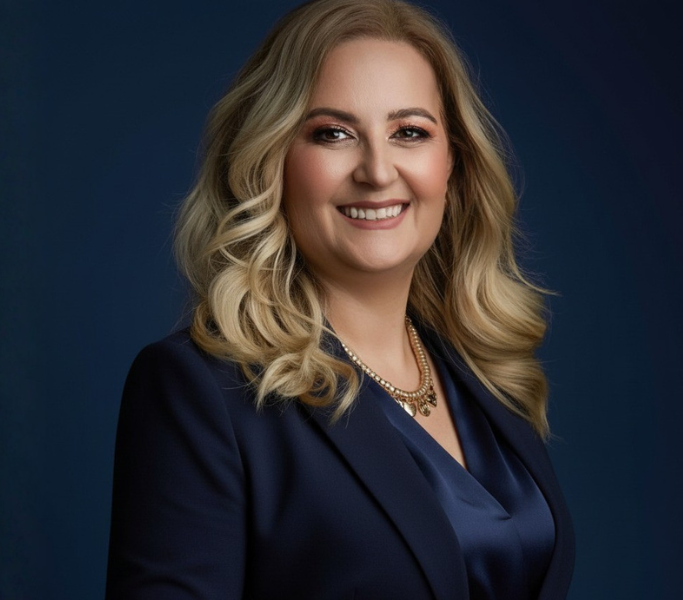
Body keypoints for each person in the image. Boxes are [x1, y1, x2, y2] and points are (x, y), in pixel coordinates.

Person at [105, 0, 574, 598]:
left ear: (451, 162)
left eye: (409, 132)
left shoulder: (483, 374)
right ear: (269, 162)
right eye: (333, 134)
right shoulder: (200, 392)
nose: (378, 171)